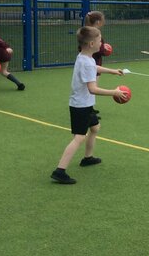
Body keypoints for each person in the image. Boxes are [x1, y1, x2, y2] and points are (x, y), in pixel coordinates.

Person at [50, 26, 126, 185]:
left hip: (85, 104)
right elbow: (92, 89)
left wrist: (111, 71)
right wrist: (114, 92)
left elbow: (95, 67)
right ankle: (60, 171)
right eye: (100, 40)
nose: (102, 43)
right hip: (81, 106)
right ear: (92, 43)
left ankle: (87, 158)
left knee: (95, 127)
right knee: (79, 137)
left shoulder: (84, 57)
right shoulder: (87, 63)